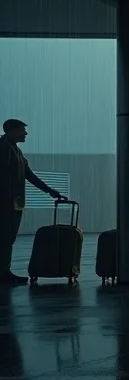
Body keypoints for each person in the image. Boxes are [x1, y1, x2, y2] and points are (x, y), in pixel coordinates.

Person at [1, 119, 63, 285]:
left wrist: (50, 191)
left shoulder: (16, 151)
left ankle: (4, 271)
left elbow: (29, 175)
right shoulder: (4, 149)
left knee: (8, 238)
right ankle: (3, 273)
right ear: (11, 130)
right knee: (5, 237)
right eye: (22, 130)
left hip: (14, 202)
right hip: (5, 203)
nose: (25, 133)